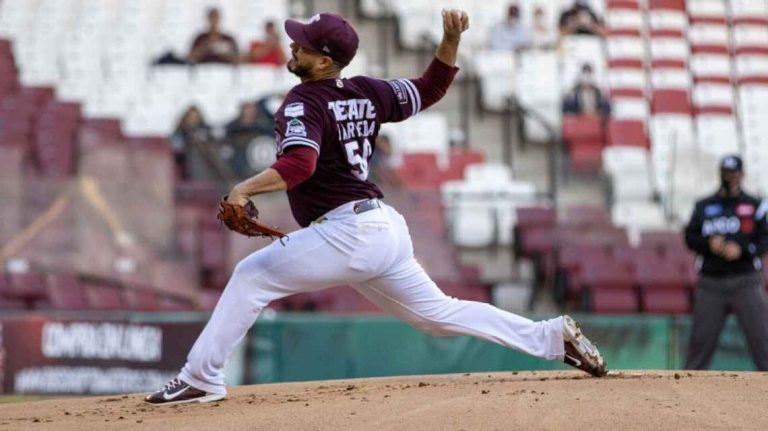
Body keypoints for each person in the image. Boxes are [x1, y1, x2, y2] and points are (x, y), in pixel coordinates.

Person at [145, 10, 607, 406]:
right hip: (381, 229)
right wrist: (450, 42)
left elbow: (300, 164)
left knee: (252, 276)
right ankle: (549, 336)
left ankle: (201, 377)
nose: (293, 44)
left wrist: (243, 188)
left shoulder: (304, 100)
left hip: (347, 231)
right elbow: (430, 88)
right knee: (438, 315)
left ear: (324, 61)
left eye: (302, 44)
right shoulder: (367, 91)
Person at [684, 155, 768, 371]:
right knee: (700, 343)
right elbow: (690, 237)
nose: (730, 179)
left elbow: (764, 240)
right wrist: (709, 244)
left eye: (734, 174)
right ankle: (688, 389)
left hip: (746, 280)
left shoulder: (755, 205)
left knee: (762, 340)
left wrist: (742, 250)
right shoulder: (704, 206)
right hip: (712, 282)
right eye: (726, 174)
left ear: (742, 175)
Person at [170, 106, 214, 179]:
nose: (193, 120)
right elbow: (176, 147)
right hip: (184, 160)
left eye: (195, 117)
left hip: (205, 160)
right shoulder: (180, 131)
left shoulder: (205, 130)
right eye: (191, 117)